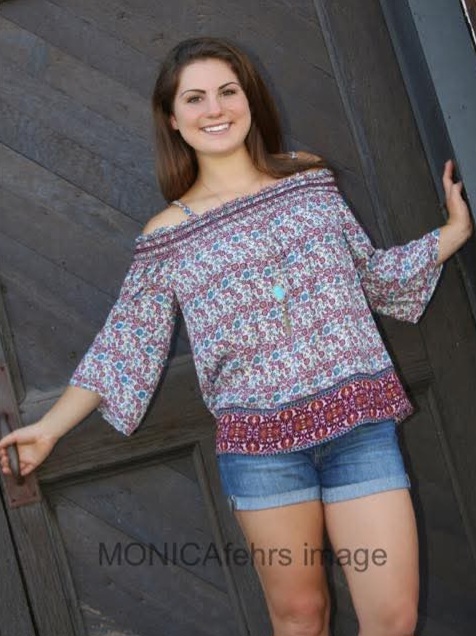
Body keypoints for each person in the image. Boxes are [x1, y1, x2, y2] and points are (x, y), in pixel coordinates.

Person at [0, 36, 473, 636]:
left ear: (249, 99)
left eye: (227, 91)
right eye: (194, 98)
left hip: (359, 426)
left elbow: (372, 277)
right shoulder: (167, 235)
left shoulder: (310, 179)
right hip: (261, 452)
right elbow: (124, 344)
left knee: (393, 618)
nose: (215, 109)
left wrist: (453, 232)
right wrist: (48, 428)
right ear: (173, 119)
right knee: (301, 618)